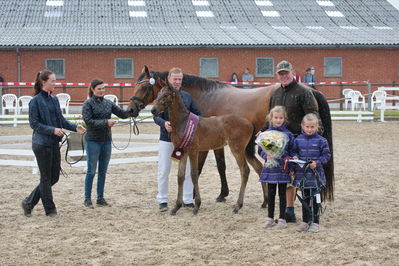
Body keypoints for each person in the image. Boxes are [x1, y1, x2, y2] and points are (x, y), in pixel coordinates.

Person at [21, 69, 86, 217]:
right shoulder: (35, 101)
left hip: (53, 143)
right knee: (45, 177)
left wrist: (75, 127)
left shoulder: (54, 99)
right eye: (53, 81)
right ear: (44, 82)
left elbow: (61, 120)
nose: (55, 83)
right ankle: (50, 210)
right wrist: (52, 130)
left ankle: (28, 202)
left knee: (54, 177)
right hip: (41, 144)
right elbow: (34, 124)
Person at [269, 60, 318, 223]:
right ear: (277, 75)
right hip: (282, 144)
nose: (284, 76)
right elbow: (272, 117)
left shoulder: (304, 92)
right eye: (280, 74)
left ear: (293, 72)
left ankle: (309, 212)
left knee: (305, 177)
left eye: (286, 73)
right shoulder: (275, 93)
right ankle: (289, 209)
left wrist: (311, 141)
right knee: (286, 175)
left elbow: (313, 117)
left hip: (300, 141)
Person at [153, 67, 202, 212]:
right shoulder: (162, 93)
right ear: (169, 79)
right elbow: (155, 115)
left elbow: (197, 113)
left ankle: (187, 199)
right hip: (167, 138)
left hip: (185, 139)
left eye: (180, 79)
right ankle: (162, 199)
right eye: (175, 79)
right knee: (164, 170)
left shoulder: (186, 96)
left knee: (187, 170)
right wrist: (163, 123)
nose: (177, 82)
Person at [82, 79, 131, 208]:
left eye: (103, 88)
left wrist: (134, 109)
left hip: (106, 141)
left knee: (103, 171)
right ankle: (87, 198)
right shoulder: (88, 104)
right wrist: (106, 122)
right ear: (93, 89)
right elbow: (88, 122)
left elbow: (122, 114)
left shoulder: (109, 103)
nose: (102, 91)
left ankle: (100, 197)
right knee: (91, 170)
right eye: (99, 88)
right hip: (93, 140)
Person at [292, 113, 331, 232]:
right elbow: (294, 152)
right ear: (302, 126)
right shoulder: (298, 140)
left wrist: (317, 162)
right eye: (307, 127)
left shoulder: (322, 141)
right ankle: (305, 221)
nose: (309, 129)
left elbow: (327, 155)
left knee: (315, 200)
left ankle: (315, 222)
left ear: (317, 127)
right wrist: (295, 158)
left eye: (312, 127)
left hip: (316, 176)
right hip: (303, 176)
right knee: (304, 199)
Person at [258, 106, 294, 229]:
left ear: (284, 119)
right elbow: (260, 150)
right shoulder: (265, 134)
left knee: (282, 193)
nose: (278, 120)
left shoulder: (288, 135)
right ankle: (270, 218)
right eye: (276, 118)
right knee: (271, 193)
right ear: (271, 118)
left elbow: (292, 150)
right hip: (270, 168)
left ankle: (282, 218)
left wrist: (288, 158)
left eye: (281, 118)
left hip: (283, 169)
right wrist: (266, 155)